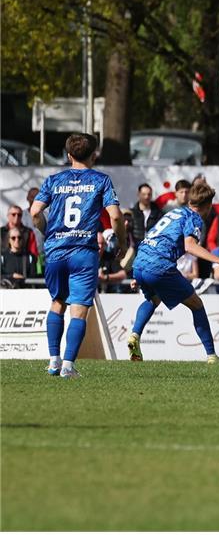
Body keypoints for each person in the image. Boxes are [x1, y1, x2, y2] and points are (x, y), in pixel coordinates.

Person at [28, 133, 126, 378]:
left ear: (69, 155)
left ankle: (53, 361)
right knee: (79, 309)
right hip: (83, 251)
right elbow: (115, 216)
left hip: (56, 250)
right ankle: (68, 366)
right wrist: (122, 243)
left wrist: (48, 233)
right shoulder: (101, 180)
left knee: (57, 302)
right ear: (94, 155)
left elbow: (35, 212)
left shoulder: (54, 180)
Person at [126, 179, 219, 364]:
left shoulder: (174, 212)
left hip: (141, 261)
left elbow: (153, 237)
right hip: (159, 265)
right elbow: (190, 246)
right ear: (208, 206)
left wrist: (139, 273)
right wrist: (218, 259)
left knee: (153, 299)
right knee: (197, 304)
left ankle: (135, 335)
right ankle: (212, 356)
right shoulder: (195, 218)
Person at [98, 229, 129, 293]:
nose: (100, 246)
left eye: (102, 243)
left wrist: (105, 277)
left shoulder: (108, 256)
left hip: (106, 294)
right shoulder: (86, 256)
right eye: (98, 243)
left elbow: (123, 274)